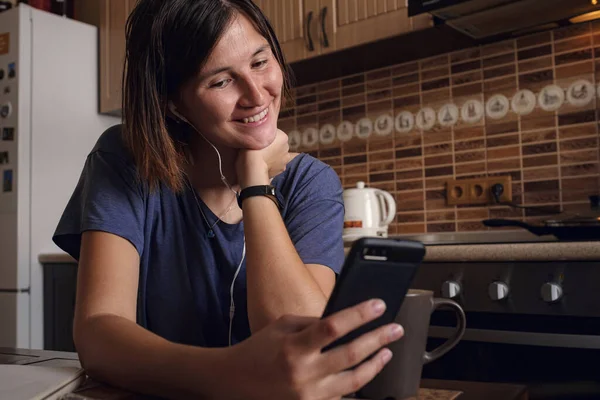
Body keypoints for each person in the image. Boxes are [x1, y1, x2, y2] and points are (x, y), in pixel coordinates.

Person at [52, 0, 404, 398]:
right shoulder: (124, 159)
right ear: (174, 104)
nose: (256, 95)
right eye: (221, 81)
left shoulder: (311, 182)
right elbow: (98, 331)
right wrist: (231, 374)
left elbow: (305, 337)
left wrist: (255, 185)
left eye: (259, 62)